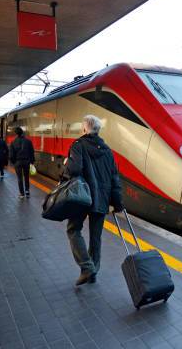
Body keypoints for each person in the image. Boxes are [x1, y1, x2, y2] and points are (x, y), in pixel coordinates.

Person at [64, 115, 123, 286]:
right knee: (95, 238)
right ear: (98, 130)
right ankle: (93, 271)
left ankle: (87, 267)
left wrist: (67, 164)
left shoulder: (78, 145)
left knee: (73, 230)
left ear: (84, 129)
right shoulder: (107, 150)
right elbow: (115, 178)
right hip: (101, 199)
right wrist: (117, 202)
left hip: (82, 197)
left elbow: (74, 170)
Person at [9, 127, 35, 198]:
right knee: (26, 177)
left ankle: (22, 194)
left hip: (18, 162)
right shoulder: (28, 141)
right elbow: (31, 152)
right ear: (22, 132)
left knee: (19, 178)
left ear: (16, 133)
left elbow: (11, 155)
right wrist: (32, 161)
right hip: (26, 161)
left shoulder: (13, 142)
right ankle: (27, 191)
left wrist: (13, 162)